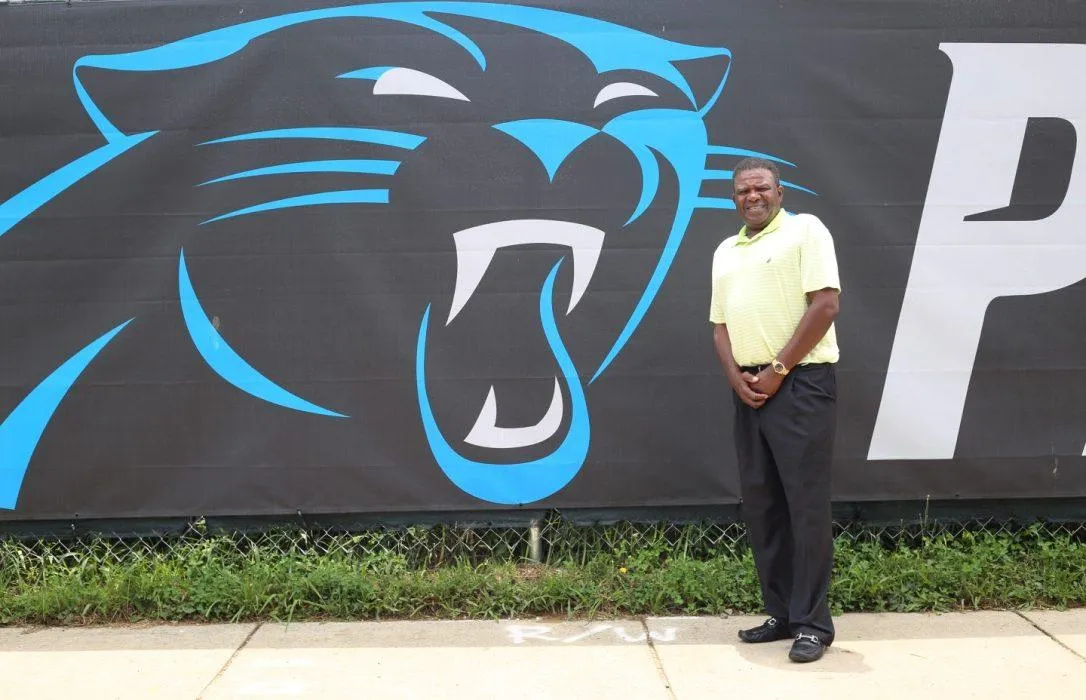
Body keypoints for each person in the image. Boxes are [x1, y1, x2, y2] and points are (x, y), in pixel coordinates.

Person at [709, 157, 841, 663]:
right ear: (734, 198)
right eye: (743, 191)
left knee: (805, 506)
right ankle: (783, 612)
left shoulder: (806, 231)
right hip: (750, 389)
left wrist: (779, 371)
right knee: (764, 505)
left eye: (761, 188)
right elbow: (719, 325)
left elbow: (825, 305)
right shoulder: (726, 250)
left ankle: (813, 624)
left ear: (779, 192)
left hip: (802, 384)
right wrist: (737, 380)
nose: (752, 196)